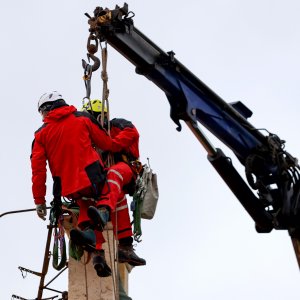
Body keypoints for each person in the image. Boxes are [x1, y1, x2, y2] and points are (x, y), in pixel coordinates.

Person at [80, 99, 146, 271]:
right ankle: (101, 253)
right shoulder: (89, 138)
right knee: (89, 194)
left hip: (125, 171)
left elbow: (132, 133)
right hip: (109, 185)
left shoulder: (118, 125)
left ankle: (103, 211)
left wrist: (109, 143)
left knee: (113, 175)